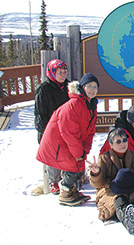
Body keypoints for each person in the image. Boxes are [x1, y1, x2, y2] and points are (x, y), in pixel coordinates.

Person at [36, 73, 99, 206]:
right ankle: (65, 193)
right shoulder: (73, 105)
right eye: (89, 86)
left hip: (70, 143)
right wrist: (78, 153)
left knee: (78, 165)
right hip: (59, 142)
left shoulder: (90, 105)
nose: (92, 90)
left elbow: (90, 131)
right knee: (72, 166)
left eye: (95, 87)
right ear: (82, 87)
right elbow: (69, 132)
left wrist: (85, 150)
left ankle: (72, 191)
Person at [88, 128, 134, 234]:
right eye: (118, 141)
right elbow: (98, 183)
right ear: (111, 144)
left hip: (131, 187)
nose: (122, 143)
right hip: (110, 190)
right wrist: (96, 173)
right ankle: (126, 216)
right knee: (119, 199)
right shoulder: (104, 158)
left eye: (124, 140)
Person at [34, 59, 69, 195]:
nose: (62, 75)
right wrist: (45, 132)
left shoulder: (68, 86)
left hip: (65, 126)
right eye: (59, 72)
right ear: (52, 72)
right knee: (53, 155)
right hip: (49, 127)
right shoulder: (43, 89)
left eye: (64, 72)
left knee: (66, 153)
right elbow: (40, 113)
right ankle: (54, 181)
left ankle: (67, 180)